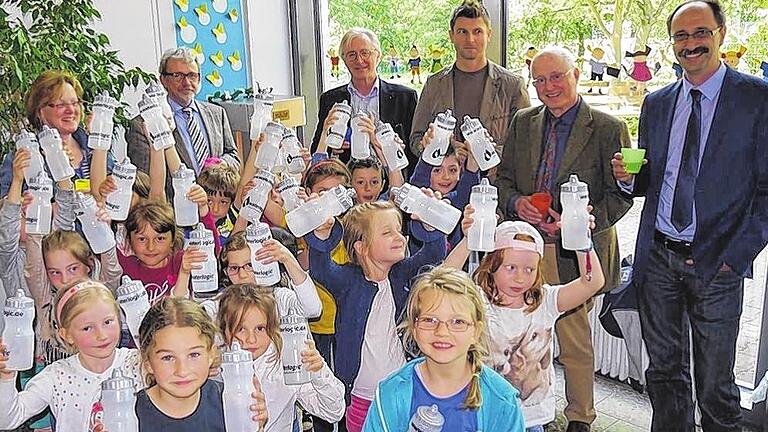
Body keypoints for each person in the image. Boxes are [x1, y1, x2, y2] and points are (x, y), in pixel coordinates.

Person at [610, 1, 768, 430]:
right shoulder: (657, 103)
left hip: (718, 266)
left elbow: (766, 193)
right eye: (680, 36)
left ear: (721, 33)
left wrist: (735, 258)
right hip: (657, 259)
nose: (690, 43)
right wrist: (628, 178)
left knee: (716, 385)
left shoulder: (757, 99)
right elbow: (648, 182)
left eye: (700, 33)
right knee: (663, 376)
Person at [495, 47, 633, 432]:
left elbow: (621, 195)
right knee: (518, 334)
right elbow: (503, 179)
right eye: (539, 80)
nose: (548, 87)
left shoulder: (607, 127)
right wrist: (516, 202)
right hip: (525, 248)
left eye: (556, 77)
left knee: (573, 340)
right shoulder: (523, 122)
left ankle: (579, 418)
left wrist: (582, 224)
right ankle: (521, 410)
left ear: (575, 75)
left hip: (574, 254)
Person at [448, 213, 604, 432]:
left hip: (530, 420)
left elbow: (592, 282)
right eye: (510, 268)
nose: (520, 278)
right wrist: (469, 240)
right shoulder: (478, 300)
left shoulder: (546, 302)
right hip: (485, 415)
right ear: (491, 265)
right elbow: (443, 281)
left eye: (529, 269)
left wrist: (582, 242)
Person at [305, 200, 447, 432]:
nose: (400, 237)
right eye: (387, 232)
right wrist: (321, 235)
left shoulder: (403, 275)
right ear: (361, 247)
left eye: (399, 231)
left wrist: (430, 226)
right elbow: (322, 269)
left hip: (405, 392)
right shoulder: (348, 282)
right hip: (362, 398)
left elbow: (433, 254)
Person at [362, 265, 526, 432]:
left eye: (457, 322)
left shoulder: (500, 400)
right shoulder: (391, 394)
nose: (442, 332)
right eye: (430, 320)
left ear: (476, 331)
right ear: (414, 327)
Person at [0, 281, 142, 432]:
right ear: (66, 335)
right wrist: (6, 376)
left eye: (108, 322)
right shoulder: (57, 376)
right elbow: (7, 420)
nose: (102, 335)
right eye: (87, 328)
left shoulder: (136, 363)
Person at [409, 0, 530, 160]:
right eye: (462, 32)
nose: (470, 39)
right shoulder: (434, 84)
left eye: (477, 31)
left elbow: (525, 143)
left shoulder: (513, 85)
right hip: (443, 180)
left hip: (495, 181)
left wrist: (483, 154)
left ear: (489, 35)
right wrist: (441, 149)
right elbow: (416, 139)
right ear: (451, 36)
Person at [217, 283, 345, 431]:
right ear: (224, 329)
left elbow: (333, 412)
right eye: (240, 329)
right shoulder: (213, 367)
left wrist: (318, 372)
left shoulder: (286, 364)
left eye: (260, 328)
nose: (251, 339)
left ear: (272, 327)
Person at [135, 296, 267, 431]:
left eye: (193, 355)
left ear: (211, 354)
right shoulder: (130, 415)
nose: (182, 371)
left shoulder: (229, 402)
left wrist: (254, 426)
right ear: (148, 363)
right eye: (168, 358)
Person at [311, 28, 418, 168]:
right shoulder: (330, 99)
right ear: (344, 60)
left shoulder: (405, 98)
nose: (359, 60)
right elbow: (317, 149)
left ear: (378, 56)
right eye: (351, 55)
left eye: (365, 53)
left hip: (391, 180)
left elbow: (414, 150)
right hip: (346, 181)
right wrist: (332, 148)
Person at [126, 47, 239, 176]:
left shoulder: (217, 114)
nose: (186, 83)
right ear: (163, 80)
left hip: (215, 195)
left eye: (192, 75)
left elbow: (233, 156)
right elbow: (145, 180)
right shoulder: (143, 125)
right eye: (178, 76)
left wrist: (220, 164)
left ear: (199, 78)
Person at [0, 70, 112, 197]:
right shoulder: (25, 153)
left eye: (75, 103)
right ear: (40, 112)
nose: (71, 110)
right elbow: (4, 208)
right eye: (61, 105)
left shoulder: (93, 145)